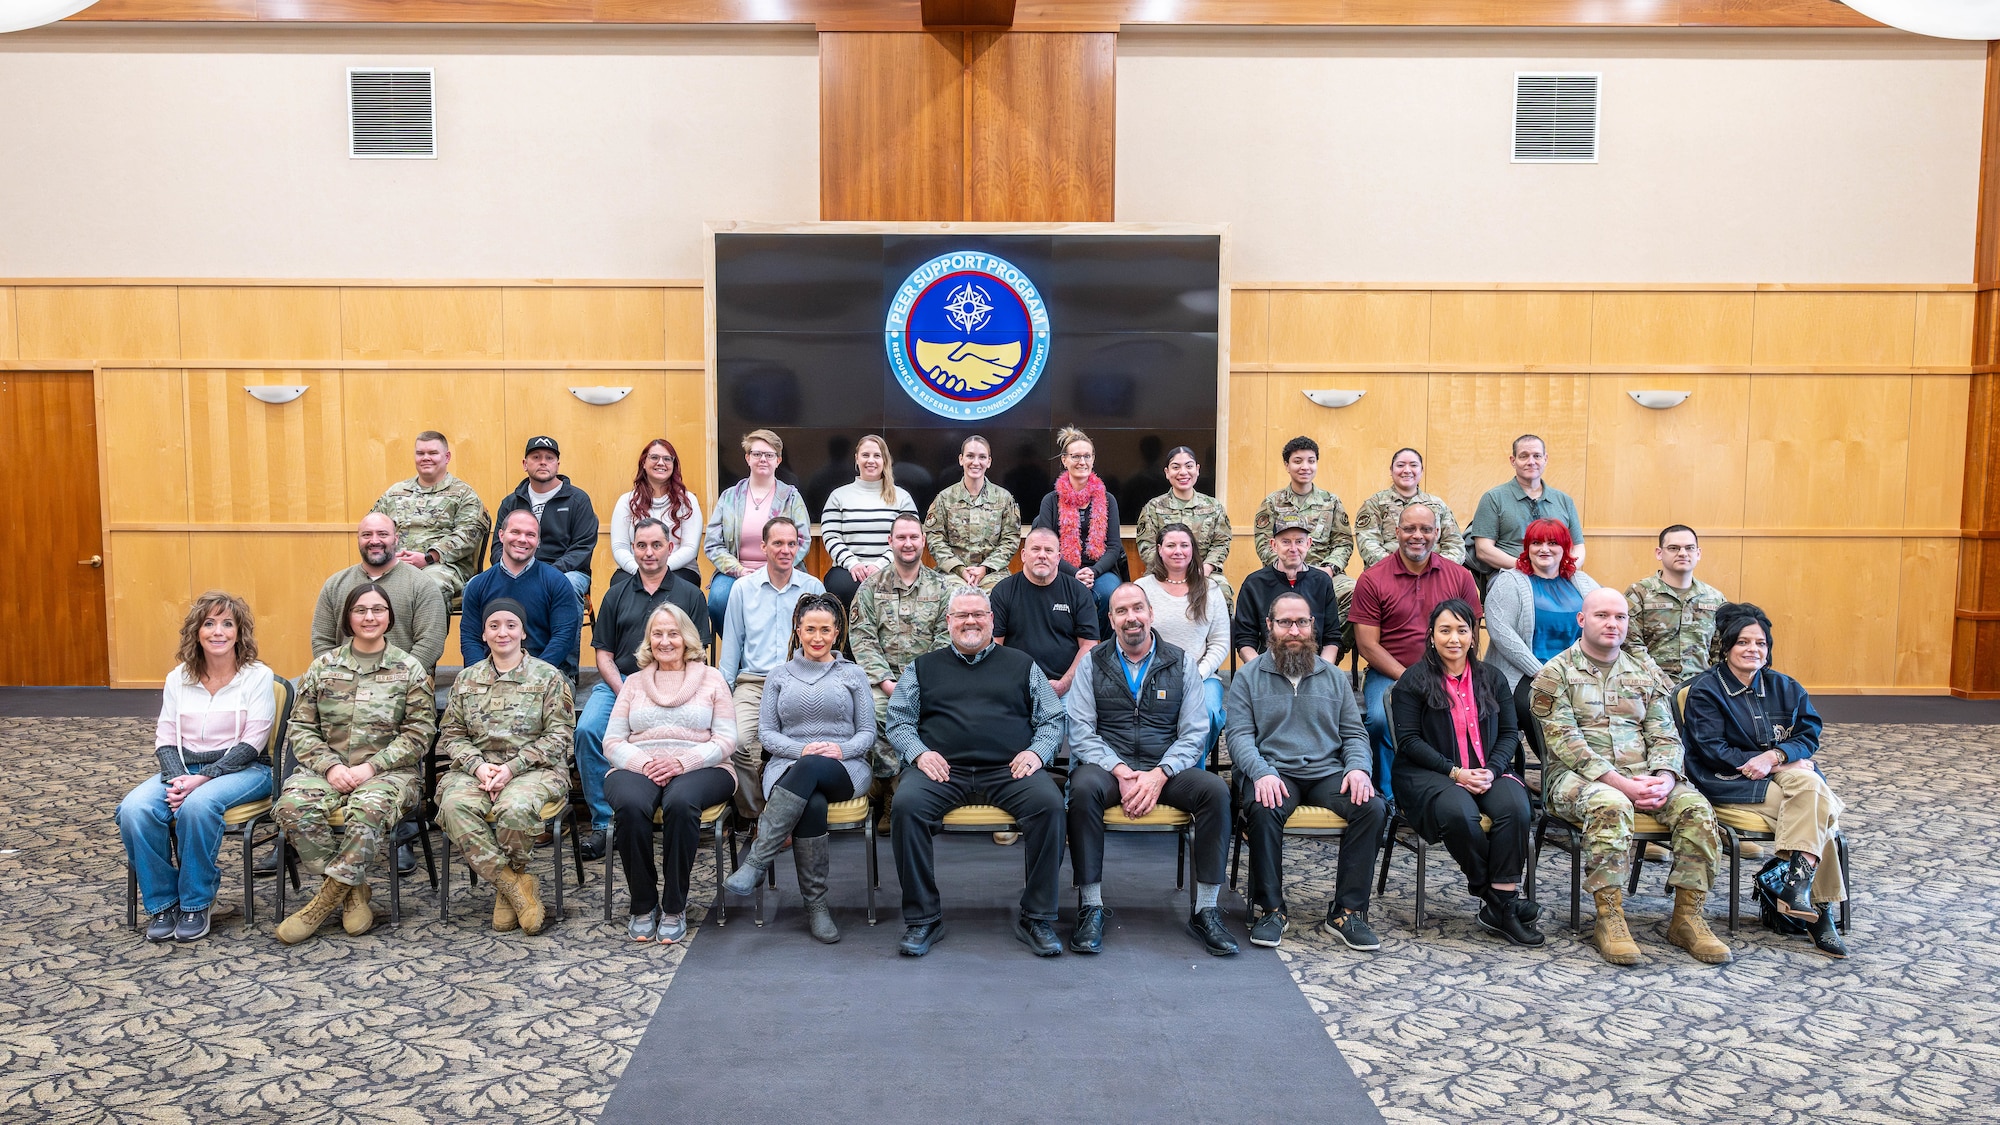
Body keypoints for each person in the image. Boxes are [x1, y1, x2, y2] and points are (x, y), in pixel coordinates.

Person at [1531, 588, 1731, 966]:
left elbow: (1665, 733)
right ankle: (1610, 917)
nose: (1612, 624)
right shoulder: (1554, 674)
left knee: (1697, 809)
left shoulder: (1643, 671)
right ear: (1582, 620)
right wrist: (1622, 784)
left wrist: (1666, 778)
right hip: (1576, 779)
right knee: (1612, 804)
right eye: (1602, 615)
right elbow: (1567, 745)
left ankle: (1688, 917)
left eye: (1620, 617)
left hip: (1645, 775)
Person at [886, 588, 1069, 957]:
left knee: (1049, 806)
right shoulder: (921, 667)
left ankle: (1036, 916)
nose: (971, 621)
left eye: (978, 614)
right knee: (905, 807)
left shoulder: (1023, 665)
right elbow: (898, 721)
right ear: (949, 622)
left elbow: (1053, 719)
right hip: (941, 770)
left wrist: (1037, 753)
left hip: (1009, 769)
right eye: (962, 615)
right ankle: (924, 919)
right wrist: (920, 754)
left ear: (991, 620)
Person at [1065, 584, 1239, 957]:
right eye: (1122, 611)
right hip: (1109, 768)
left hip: (1167, 769)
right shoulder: (1093, 662)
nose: (1132, 617)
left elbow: (1195, 733)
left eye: (1138, 608)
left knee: (1215, 791)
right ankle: (1091, 906)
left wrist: (1160, 773)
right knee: (1081, 789)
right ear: (1110, 620)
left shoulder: (1181, 663)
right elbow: (1079, 730)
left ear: (1150, 613)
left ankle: (1205, 909)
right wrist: (1121, 770)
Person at [1681, 602, 1847, 958]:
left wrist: (1778, 756)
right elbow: (1712, 750)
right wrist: (1774, 765)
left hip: (1785, 778)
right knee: (1822, 815)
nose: (1752, 650)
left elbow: (1809, 734)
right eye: (1743, 642)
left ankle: (1798, 889)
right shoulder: (1706, 691)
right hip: (1729, 782)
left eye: (1760, 643)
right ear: (1726, 647)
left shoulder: (1785, 687)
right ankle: (1817, 909)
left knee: (1810, 792)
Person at [272, 584, 436, 944]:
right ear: (348, 617)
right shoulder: (323, 667)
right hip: (326, 770)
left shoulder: (408, 669)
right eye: (360, 610)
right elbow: (300, 728)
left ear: (389, 617)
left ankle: (322, 902)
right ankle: (353, 889)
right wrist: (330, 767)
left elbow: (419, 733)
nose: (369, 617)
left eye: (378, 610)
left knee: (368, 809)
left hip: (389, 774)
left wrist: (371, 768)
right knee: (291, 807)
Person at [1226, 591, 1387, 951]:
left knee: (1372, 807)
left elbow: (1354, 733)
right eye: (1285, 622)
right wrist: (1260, 772)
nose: (1294, 630)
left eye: (1302, 622)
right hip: (1273, 770)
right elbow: (1238, 736)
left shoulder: (1333, 677)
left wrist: (1359, 769)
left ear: (1313, 626)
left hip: (1327, 772)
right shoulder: (1249, 677)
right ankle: (1271, 909)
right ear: (1270, 627)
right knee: (1262, 808)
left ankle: (1347, 911)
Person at [117, 592, 276, 943]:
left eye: (227, 624)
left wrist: (201, 780)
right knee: (134, 809)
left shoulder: (257, 676)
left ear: (239, 632)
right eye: (209, 623)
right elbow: (166, 738)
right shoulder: (179, 677)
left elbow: (253, 742)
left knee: (199, 804)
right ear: (197, 631)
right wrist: (178, 779)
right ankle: (164, 903)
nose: (217, 631)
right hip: (184, 769)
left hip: (245, 771)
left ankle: (196, 902)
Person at [721, 595, 876, 944]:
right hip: (789, 767)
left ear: (837, 633)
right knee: (813, 802)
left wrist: (841, 748)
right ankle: (817, 907)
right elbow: (767, 734)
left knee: (811, 771)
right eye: (810, 629)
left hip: (845, 768)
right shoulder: (778, 676)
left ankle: (757, 861)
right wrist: (802, 749)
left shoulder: (853, 674)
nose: (817, 637)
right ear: (798, 631)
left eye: (825, 629)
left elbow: (867, 732)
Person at [1388, 600, 1542, 946]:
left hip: (1489, 769)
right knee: (1459, 811)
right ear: (1431, 636)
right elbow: (1409, 742)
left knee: (1516, 807)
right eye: (1445, 630)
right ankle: (1501, 902)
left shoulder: (1492, 678)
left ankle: (1499, 901)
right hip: (1429, 772)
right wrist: (1456, 772)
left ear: (1474, 636)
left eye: (1462, 630)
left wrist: (1490, 769)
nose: (1454, 638)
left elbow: (1508, 733)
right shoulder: (1412, 681)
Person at [574, 517, 712, 862]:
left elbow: (700, 654)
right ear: (632, 549)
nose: (648, 553)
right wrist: (626, 690)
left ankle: (672, 812)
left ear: (669, 548)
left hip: (678, 683)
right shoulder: (616, 593)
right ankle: (607, 824)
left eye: (655, 545)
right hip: (620, 683)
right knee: (588, 729)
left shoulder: (690, 594)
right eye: (641, 546)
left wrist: (678, 691)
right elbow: (603, 654)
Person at [434, 599, 575, 936]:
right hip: (477, 771)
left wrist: (512, 768)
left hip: (535, 770)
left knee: (515, 808)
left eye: (511, 625)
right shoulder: (466, 679)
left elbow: (560, 735)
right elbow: (451, 734)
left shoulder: (548, 677)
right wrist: (478, 766)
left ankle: (505, 888)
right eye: (494, 626)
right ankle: (512, 884)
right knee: (454, 807)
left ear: (523, 632)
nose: (502, 633)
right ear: (483, 634)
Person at [603, 602, 738, 944]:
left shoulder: (712, 679)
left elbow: (726, 739)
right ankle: (643, 904)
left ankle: (675, 906)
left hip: (703, 765)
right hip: (639, 764)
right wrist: (643, 764)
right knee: (631, 806)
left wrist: (682, 763)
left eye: (673, 633)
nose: (665, 641)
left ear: (687, 638)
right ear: (648, 640)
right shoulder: (633, 682)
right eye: (657, 634)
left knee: (680, 803)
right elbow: (612, 741)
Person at [1349, 501, 1480, 801]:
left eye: (1424, 529)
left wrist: (1452, 677)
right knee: (1383, 719)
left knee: (1465, 715)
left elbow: (1470, 635)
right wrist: (1410, 678)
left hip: (1450, 673)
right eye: (1409, 528)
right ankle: (1390, 797)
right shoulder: (1372, 579)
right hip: (1392, 673)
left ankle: (1455, 791)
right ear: (1396, 532)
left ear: (1436, 533)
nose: (1416, 535)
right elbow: (1368, 644)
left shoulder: (1459, 577)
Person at [718, 516, 825, 815]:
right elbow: (731, 648)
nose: (785, 550)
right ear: (763, 546)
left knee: (808, 743)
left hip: (800, 680)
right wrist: (723, 695)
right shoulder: (742, 589)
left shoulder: (812, 587)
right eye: (778, 543)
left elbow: (822, 644)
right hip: (753, 682)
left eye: (792, 544)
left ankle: (793, 810)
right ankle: (760, 814)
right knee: (734, 742)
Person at [1484, 518, 1600, 772]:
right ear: (1527, 548)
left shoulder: (1583, 583)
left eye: (1552, 543)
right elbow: (1502, 634)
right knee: (1544, 708)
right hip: (1523, 674)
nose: (1544, 549)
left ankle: (1600, 768)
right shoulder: (1510, 581)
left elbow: (1603, 623)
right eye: (1536, 543)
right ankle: (1561, 774)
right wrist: (1542, 672)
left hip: (1575, 673)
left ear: (1565, 548)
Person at [849, 513, 952, 779]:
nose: (908, 543)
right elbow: (863, 637)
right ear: (890, 541)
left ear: (924, 540)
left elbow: (945, 637)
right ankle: (885, 787)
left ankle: (922, 782)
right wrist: (886, 682)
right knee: (873, 711)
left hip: (931, 681)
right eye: (901, 537)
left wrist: (917, 682)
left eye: (914, 537)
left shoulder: (942, 587)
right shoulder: (871, 587)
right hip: (882, 683)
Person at [1135, 523, 1229, 769]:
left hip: (1201, 675)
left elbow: (1220, 642)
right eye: (1171, 545)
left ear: (1193, 550)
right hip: (1150, 674)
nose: (1178, 551)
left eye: (1184, 545)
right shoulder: (1142, 588)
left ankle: (1189, 773)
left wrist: (1197, 674)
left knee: (1207, 711)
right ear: (1159, 550)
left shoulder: (1211, 589)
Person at [703, 428, 812, 637]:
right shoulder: (729, 497)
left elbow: (803, 540)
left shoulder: (790, 497)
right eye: (757, 454)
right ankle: (737, 652)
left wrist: (772, 569)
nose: (763, 459)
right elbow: (712, 544)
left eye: (769, 455)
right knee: (718, 599)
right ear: (747, 458)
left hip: (782, 571)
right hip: (736, 572)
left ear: (778, 460)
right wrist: (739, 570)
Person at [310, 513, 448, 674]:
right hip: (344, 688)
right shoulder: (335, 585)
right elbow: (322, 641)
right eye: (367, 535)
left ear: (396, 539)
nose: (374, 541)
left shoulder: (421, 585)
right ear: (358, 539)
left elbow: (431, 642)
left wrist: (397, 678)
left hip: (403, 687)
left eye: (382, 534)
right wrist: (338, 676)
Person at [462, 509, 583, 680]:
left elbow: (563, 637)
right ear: (501, 535)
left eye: (530, 535)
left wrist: (532, 675)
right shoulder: (478, 585)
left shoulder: (557, 582)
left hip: (543, 675)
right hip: (490, 677)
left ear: (538, 541)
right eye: (515, 532)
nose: (522, 539)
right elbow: (470, 638)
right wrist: (482, 676)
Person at [372, 430, 491, 601]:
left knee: (429, 587)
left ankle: (430, 629)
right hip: (395, 563)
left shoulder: (463, 494)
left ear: (447, 457)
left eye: (433, 453)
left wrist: (429, 557)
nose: (425, 457)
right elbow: (372, 527)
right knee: (357, 584)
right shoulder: (395, 493)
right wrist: (388, 557)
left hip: (442, 567)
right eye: (420, 453)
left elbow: (468, 534)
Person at [991, 527, 1101, 699]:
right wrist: (1012, 684)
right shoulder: (1003, 591)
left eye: (1048, 550)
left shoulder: (1078, 592)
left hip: (1067, 690)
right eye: (1035, 549)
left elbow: (1089, 646)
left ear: (1058, 558)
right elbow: (994, 645)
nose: (1042, 555)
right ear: (1023, 555)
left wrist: (1064, 684)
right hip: (1015, 689)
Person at [1032, 426, 1127, 624]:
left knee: (1110, 594)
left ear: (1093, 459)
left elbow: (1114, 547)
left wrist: (1093, 572)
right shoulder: (1051, 501)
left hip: (1101, 571)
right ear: (1064, 460)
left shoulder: (1108, 500)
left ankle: (1102, 650)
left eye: (1087, 456)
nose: (1082, 462)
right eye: (1075, 457)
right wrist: (1075, 573)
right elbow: (1048, 548)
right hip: (1060, 570)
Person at [1253, 436, 1356, 618]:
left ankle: (1329, 644)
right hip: (1282, 572)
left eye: (1311, 461)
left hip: (1324, 572)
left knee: (1353, 592)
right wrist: (1286, 569)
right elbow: (1263, 543)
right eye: (1297, 461)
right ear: (1287, 465)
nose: (1305, 467)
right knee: (1257, 593)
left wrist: (1329, 569)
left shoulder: (1331, 502)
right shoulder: (1272, 502)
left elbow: (1343, 543)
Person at [1467, 434, 1586, 590]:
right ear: (1513, 461)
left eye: (1537, 456)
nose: (1531, 462)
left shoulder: (1564, 500)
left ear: (1545, 459)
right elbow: (1483, 550)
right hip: (1511, 575)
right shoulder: (1493, 498)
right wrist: (1527, 567)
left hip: (1559, 575)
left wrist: (1565, 568)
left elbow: (1578, 547)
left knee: (1597, 598)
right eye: (1524, 456)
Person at [490, 436, 599, 605]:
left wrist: (545, 573)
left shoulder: (578, 500)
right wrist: (514, 570)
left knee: (568, 585)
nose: (543, 462)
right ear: (525, 464)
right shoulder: (511, 502)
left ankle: (563, 633)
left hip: (566, 572)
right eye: (536, 457)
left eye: (549, 458)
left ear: (557, 464)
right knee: (474, 586)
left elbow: (582, 548)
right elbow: (498, 546)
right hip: (516, 569)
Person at [819, 433, 918, 607]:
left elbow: (909, 538)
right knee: (839, 587)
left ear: (885, 460)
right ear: (856, 458)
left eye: (877, 456)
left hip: (893, 568)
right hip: (848, 570)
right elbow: (831, 536)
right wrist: (853, 564)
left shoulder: (902, 497)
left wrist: (880, 565)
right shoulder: (838, 496)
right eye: (865, 455)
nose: (870, 460)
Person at [1625, 524, 1729, 689]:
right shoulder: (1640, 593)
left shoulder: (1715, 598)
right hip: (1648, 687)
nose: (1682, 553)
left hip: (1701, 690)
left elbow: (1722, 650)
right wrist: (1660, 680)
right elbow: (1630, 644)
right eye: (1673, 548)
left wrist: (1712, 685)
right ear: (1659, 553)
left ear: (1698, 553)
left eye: (1689, 548)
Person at [1232, 518, 1341, 666]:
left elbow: (1332, 638)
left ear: (1308, 544)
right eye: (1286, 542)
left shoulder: (1322, 582)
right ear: (1273, 545)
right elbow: (1245, 640)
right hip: (1266, 670)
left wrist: (1322, 671)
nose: (1293, 548)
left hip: (1313, 669)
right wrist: (1260, 671)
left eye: (1299, 541)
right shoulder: (1254, 584)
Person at [923, 434, 1022, 594]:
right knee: (951, 596)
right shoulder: (945, 498)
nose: (976, 462)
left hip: (992, 573)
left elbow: (1010, 540)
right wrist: (960, 569)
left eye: (982, 457)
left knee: (1002, 597)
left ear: (989, 461)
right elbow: (935, 540)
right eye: (970, 456)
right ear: (961, 459)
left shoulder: (1004, 499)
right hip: (953, 574)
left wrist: (984, 568)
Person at [612, 438, 702, 589]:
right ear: (643, 463)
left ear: (674, 465)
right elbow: (619, 546)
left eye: (667, 459)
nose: (661, 463)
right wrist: (639, 569)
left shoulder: (688, 501)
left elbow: (690, 547)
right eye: (654, 457)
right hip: (635, 568)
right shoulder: (626, 501)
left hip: (679, 569)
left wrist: (661, 569)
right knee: (619, 584)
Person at [1353, 448, 1466, 568]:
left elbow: (1455, 544)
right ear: (1391, 470)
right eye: (1400, 465)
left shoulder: (1438, 505)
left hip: (1434, 575)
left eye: (1413, 465)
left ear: (1422, 471)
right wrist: (1398, 569)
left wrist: (1437, 569)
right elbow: (1368, 544)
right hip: (1389, 574)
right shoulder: (1374, 504)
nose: (1407, 470)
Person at [1133, 446, 1230, 585]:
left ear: (1197, 469)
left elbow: (1221, 543)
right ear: (1167, 472)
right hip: (1161, 571)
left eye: (1189, 466)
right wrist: (1171, 570)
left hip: (1202, 571)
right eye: (1176, 467)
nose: (1183, 472)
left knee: (1222, 591)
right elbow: (1147, 546)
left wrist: (1206, 567)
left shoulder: (1214, 507)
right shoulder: (1153, 508)